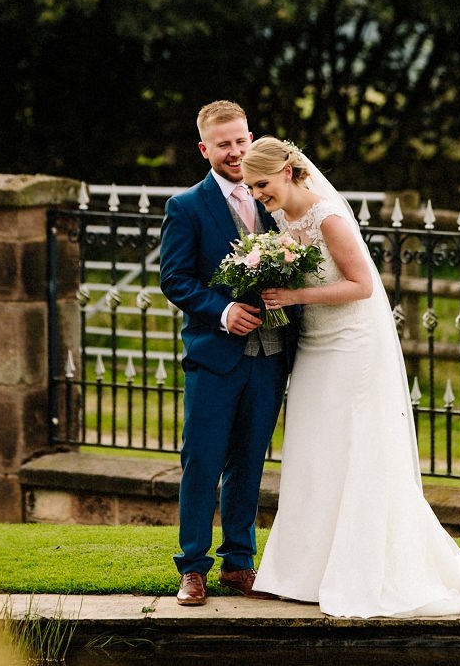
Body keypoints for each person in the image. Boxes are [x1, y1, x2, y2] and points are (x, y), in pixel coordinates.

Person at [240, 137, 460, 618]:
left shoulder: (329, 217)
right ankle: (303, 572)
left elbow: (362, 286)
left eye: (261, 185)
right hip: (315, 347)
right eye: (252, 188)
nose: (258, 194)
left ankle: (360, 568)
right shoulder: (282, 219)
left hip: (351, 345)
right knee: (313, 448)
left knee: (356, 449)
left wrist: (295, 297)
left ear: (285, 170)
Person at [159, 101, 294, 606]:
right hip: (215, 355)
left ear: (251, 138)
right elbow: (174, 278)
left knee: (249, 462)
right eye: (223, 144)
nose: (235, 152)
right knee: (203, 460)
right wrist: (222, 311)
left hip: (270, 352)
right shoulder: (187, 206)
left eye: (241, 141)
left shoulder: (273, 201)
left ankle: (239, 563)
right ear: (205, 149)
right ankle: (192, 567)